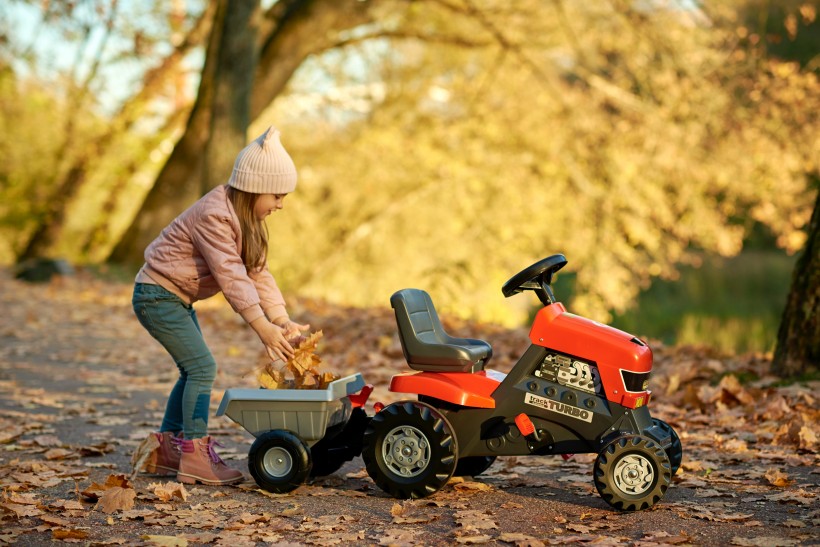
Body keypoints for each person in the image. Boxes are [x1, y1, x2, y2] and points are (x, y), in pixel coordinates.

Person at [132, 126, 309, 485]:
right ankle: (195, 453)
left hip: (174, 298)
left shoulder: (248, 221)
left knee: (191, 369)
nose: (280, 204)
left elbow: (257, 273)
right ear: (254, 188)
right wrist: (261, 326)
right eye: (276, 195)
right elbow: (231, 276)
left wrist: (280, 319)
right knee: (201, 368)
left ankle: (168, 451)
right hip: (156, 295)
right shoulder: (215, 214)